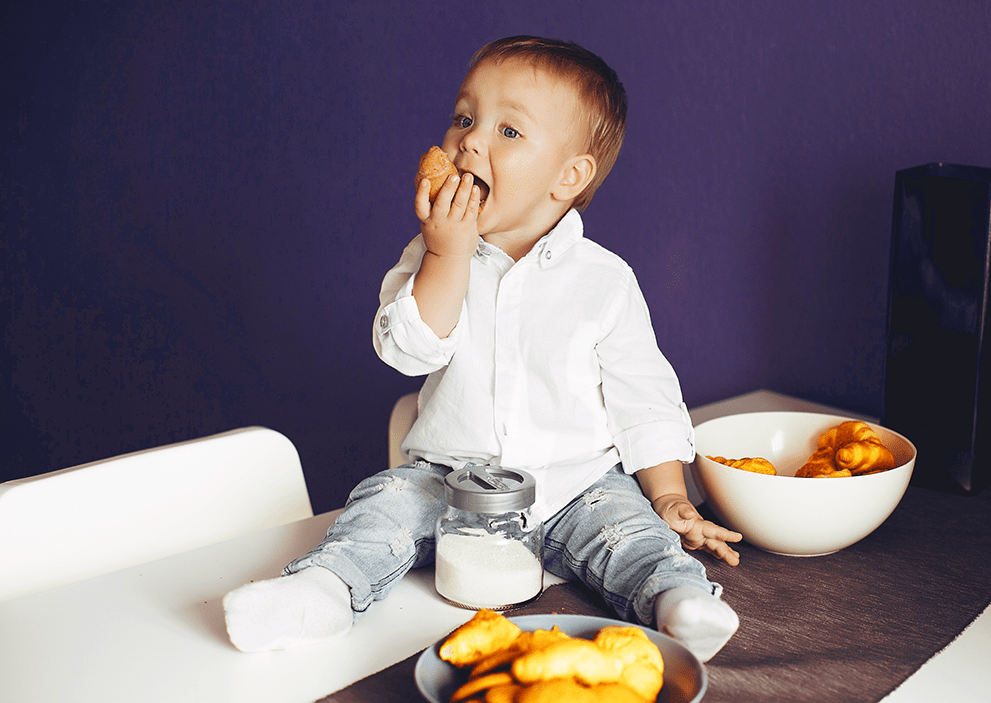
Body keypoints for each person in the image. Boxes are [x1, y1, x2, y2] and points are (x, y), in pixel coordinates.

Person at [223, 36, 742, 662]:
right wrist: (447, 255)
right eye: (464, 119)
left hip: (578, 484)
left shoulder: (603, 279)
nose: (470, 141)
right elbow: (408, 351)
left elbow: (645, 399)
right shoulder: (431, 256)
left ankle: (680, 604)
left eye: (508, 131)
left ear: (568, 176)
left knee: (637, 537)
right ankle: (321, 593)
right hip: (449, 481)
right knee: (380, 509)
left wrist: (669, 496)